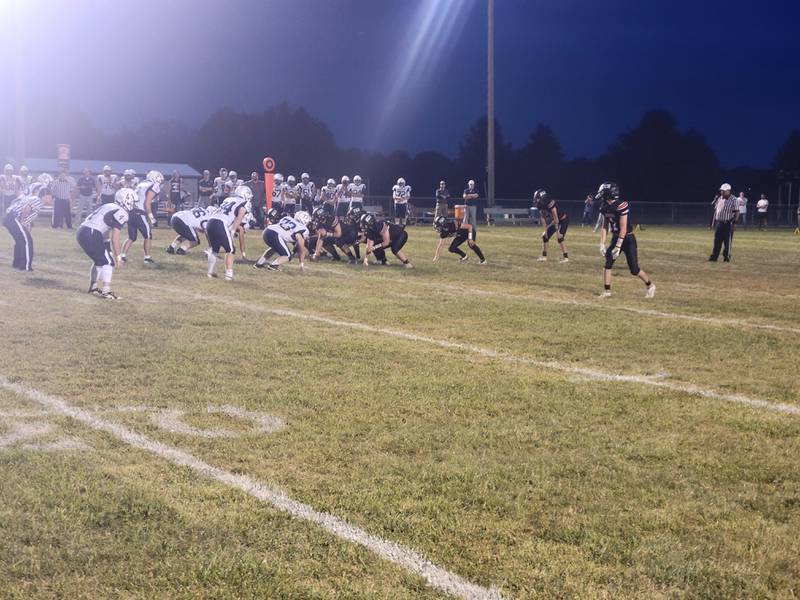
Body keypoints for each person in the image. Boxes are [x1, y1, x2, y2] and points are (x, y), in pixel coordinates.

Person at [596, 182, 655, 298]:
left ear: (608, 194)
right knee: (608, 264)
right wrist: (602, 243)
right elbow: (604, 226)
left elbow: (623, 228)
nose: (601, 195)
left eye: (603, 193)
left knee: (634, 269)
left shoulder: (621, 205)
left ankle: (650, 285)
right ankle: (607, 291)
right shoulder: (604, 207)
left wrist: (618, 246)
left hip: (628, 239)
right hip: (616, 237)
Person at [76, 187, 134, 300]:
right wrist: (118, 257)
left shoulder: (109, 205)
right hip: (92, 232)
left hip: (82, 230)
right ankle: (106, 291)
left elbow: (106, 230)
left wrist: (108, 248)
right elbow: (115, 237)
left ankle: (93, 287)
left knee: (99, 260)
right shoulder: (121, 211)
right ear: (127, 200)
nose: (133, 204)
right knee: (108, 262)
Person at [205, 187, 251, 280]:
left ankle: (210, 273)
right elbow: (238, 218)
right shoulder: (244, 203)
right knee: (230, 249)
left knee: (215, 249)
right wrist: (233, 231)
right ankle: (229, 275)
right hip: (221, 223)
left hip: (210, 221)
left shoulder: (228, 199)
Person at [120, 170, 163, 264]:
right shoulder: (153, 185)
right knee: (148, 235)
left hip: (130, 212)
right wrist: (152, 218)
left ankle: (122, 256)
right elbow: (147, 203)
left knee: (132, 237)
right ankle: (147, 258)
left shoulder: (142, 183)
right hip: (139, 212)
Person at [4, 181, 44, 271]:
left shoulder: (26, 197)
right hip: (14, 217)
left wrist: (25, 226)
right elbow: (26, 210)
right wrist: (22, 221)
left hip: (9, 217)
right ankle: (25, 266)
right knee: (27, 241)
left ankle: (17, 263)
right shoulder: (36, 199)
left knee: (21, 240)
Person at [533, 189, 570, 263]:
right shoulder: (540, 205)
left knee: (560, 237)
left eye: (537, 198)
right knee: (544, 236)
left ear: (542, 198)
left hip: (563, 219)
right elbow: (543, 218)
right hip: (555, 220)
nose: (536, 200)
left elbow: (556, 218)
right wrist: (545, 230)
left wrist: (557, 231)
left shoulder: (550, 203)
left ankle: (566, 258)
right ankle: (544, 256)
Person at [709, 183, 738, 262]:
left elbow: (737, 212)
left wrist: (735, 223)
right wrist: (715, 199)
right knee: (717, 240)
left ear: (728, 191)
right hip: (719, 223)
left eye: (723, 191)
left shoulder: (734, 199)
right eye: (721, 191)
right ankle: (714, 256)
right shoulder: (719, 198)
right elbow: (713, 206)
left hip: (728, 223)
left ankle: (727, 257)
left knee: (727, 241)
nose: (722, 192)